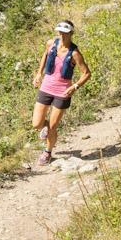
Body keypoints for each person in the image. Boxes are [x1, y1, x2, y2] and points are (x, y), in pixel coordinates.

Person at [32, 19, 90, 165]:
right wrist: (39, 73)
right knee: (36, 124)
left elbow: (87, 73)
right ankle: (45, 128)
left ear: (71, 33)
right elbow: (45, 55)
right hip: (46, 87)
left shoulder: (75, 53)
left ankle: (47, 152)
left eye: (65, 33)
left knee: (52, 126)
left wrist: (75, 86)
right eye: (60, 32)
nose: (62, 35)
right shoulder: (51, 43)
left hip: (62, 92)